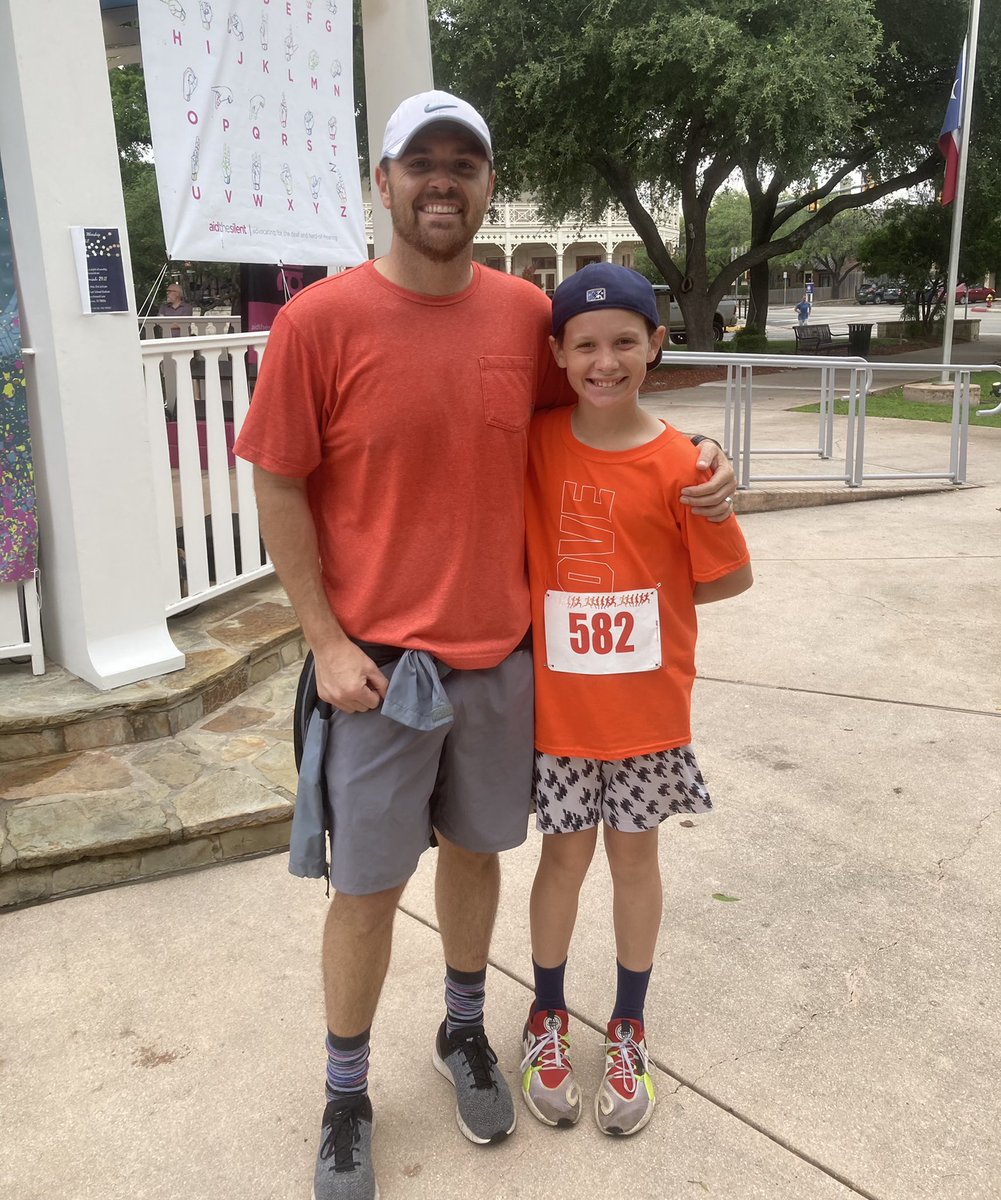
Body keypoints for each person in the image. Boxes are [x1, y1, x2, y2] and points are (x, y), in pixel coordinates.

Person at [233, 91, 737, 1200]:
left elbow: (611, 401)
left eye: (464, 162)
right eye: (421, 163)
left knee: (477, 857)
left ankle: (463, 1031)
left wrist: (703, 459)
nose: (442, 180)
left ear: (490, 184)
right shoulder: (319, 322)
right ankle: (345, 1094)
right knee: (364, 890)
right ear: (384, 183)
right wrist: (320, 638)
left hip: (503, 661)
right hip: (375, 671)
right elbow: (277, 478)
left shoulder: (521, 315)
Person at [519, 263, 752, 1137]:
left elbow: (729, 580)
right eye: (584, 345)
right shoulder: (535, 441)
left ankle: (627, 1023)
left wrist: (669, 562)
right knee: (563, 861)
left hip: (648, 715)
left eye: (624, 341)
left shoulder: (683, 463)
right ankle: (545, 1014)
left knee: (634, 864)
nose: (604, 360)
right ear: (558, 354)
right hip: (561, 719)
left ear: (657, 345)